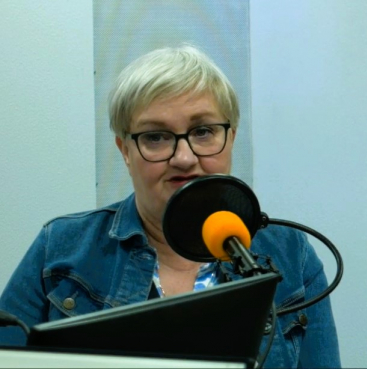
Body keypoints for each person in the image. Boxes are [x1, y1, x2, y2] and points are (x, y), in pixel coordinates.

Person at [0, 44, 340, 368]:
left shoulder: (291, 254)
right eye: (156, 137)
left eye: (203, 131)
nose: (184, 158)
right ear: (125, 151)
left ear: (231, 138)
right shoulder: (60, 248)